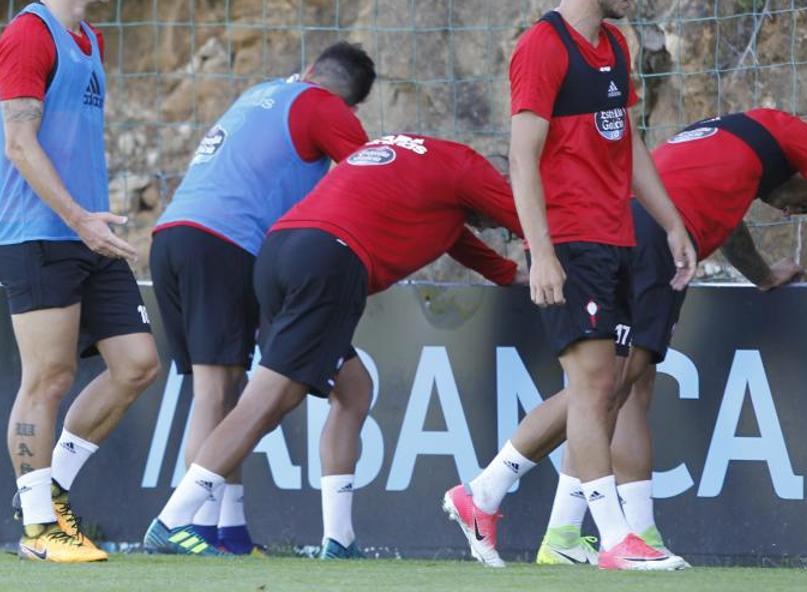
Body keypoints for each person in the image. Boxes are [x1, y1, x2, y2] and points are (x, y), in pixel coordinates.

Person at [443, 0, 696, 572]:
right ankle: (613, 540)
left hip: (615, 239)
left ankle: (483, 493)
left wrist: (671, 223)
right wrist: (542, 252)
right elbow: (522, 159)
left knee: (607, 384)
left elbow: (627, 143)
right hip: (570, 239)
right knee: (592, 385)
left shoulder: (615, 45)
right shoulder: (542, 47)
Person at [144, 134, 524, 558]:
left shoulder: (431, 169)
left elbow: (459, 240)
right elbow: (526, 215)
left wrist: (509, 274)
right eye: (496, 226)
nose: (494, 229)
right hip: (330, 261)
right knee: (266, 402)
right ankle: (173, 519)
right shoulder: (471, 168)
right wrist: (547, 257)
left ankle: (339, 539)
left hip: (281, 249)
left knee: (354, 389)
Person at [511, 110, 807, 565]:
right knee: (607, 386)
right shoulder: (795, 135)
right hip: (656, 238)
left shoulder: (728, 143)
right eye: (804, 204)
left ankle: (595, 533)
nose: (788, 212)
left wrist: (765, 277)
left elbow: (728, 228)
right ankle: (493, 494)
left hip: (617, 225)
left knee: (627, 387)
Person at [150, 41, 375, 556]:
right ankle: (190, 526)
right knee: (216, 393)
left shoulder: (261, 93)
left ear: (310, 67)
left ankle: (229, 531)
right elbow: (375, 171)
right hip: (224, 242)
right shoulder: (324, 107)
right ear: (352, 105)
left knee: (228, 391)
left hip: (174, 235)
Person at [0, 0, 157, 564]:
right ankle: (38, 528)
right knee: (49, 377)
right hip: (39, 234)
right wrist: (79, 217)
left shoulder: (92, 40)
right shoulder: (28, 35)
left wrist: (90, 220)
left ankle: (46, 490)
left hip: (88, 231)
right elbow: (19, 144)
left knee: (137, 364)